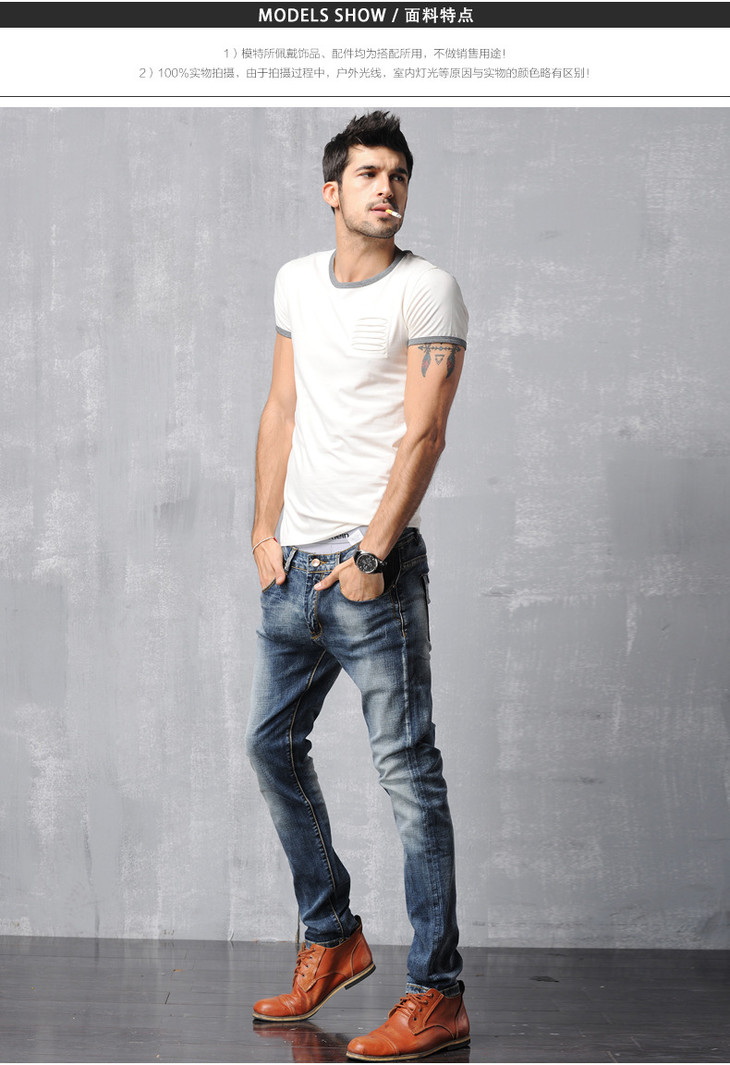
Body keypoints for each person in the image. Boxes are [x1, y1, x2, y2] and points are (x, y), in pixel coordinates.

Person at [245, 110, 470, 1062]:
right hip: (293, 569)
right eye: (370, 174)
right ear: (332, 190)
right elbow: (282, 405)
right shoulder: (297, 281)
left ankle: (438, 992)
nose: (388, 188)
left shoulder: (428, 290)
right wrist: (262, 530)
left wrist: (374, 556)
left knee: (408, 775)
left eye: (399, 176)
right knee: (270, 746)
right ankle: (332, 934)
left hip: (369, 571)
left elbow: (425, 432)